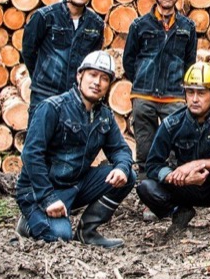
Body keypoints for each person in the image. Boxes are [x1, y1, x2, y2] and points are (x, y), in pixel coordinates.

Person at [15, 51, 135, 248]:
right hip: (40, 189)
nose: (97, 82)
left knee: (128, 174)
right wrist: (47, 198)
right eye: (92, 75)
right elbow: (31, 154)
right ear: (80, 75)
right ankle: (27, 223)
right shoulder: (53, 108)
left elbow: (121, 149)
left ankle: (87, 230)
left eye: (104, 78)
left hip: (76, 184)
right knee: (59, 236)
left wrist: (121, 167)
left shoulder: (104, 115)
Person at [137, 62, 210, 234]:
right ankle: (180, 212)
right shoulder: (171, 124)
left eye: (201, 93)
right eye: (190, 92)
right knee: (145, 187)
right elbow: (153, 165)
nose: (195, 99)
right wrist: (177, 177)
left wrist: (197, 164)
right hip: (183, 187)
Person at [122, 0, 197, 180]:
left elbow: (189, 62)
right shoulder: (139, 25)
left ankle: (174, 193)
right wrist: (141, 80)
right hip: (144, 96)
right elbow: (129, 59)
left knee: (176, 148)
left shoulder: (187, 27)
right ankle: (149, 194)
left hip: (174, 96)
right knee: (145, 150)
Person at [22, 0, 104, 117]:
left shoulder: (95, 24)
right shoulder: (45, 17)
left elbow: (93, 61)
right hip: (45, 94)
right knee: (39, 139)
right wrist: (42, 76)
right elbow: (28, 51)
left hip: (77, 96)